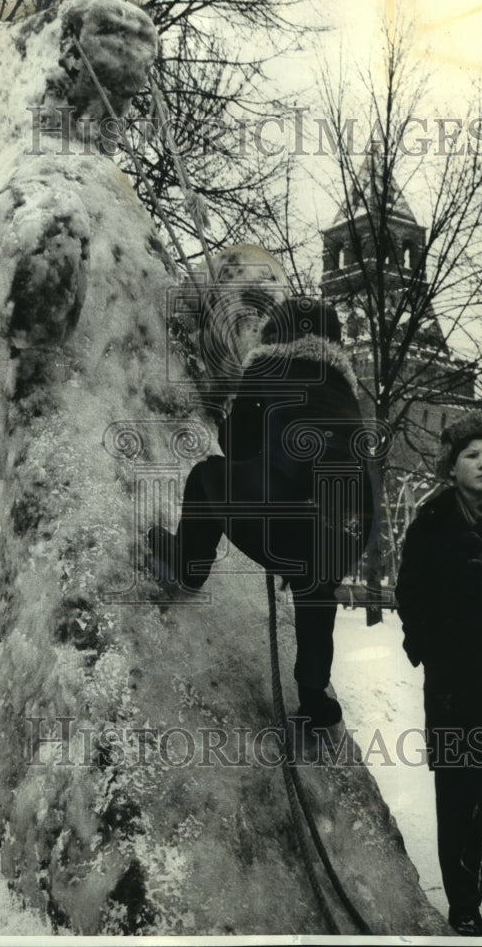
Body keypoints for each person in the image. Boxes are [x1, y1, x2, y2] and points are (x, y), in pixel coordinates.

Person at [149, 296, 376, 727]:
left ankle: (189, 563)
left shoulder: (266, 366)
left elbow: (237, 446)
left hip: (285, 515)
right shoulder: (344, 389)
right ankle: (313, 692)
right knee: (317, 584)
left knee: (206, 476)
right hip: (348, 528)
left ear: (276, 335)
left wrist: (232, 409)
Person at [396, 410, 482, 937]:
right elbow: (410, 595)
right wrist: (432, 647)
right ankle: (464, 901)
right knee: (457, 791)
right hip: (453, 683)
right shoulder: (431, 522)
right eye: (473, 455)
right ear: (452, 466)